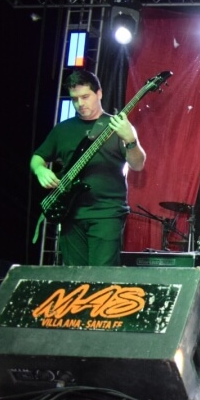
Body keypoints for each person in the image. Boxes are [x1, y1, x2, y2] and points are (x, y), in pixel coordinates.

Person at [30, 70, 146, 266]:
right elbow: (37, 157)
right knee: (75, 278)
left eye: (85, 97)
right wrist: (40, 170)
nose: (80, 104)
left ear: (99, 93)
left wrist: (130, 139)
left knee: (102, 277)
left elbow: (138, 164)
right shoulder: (63, 129)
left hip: (107, 213)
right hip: (70, 213)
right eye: (75, 99)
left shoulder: (118, 126)